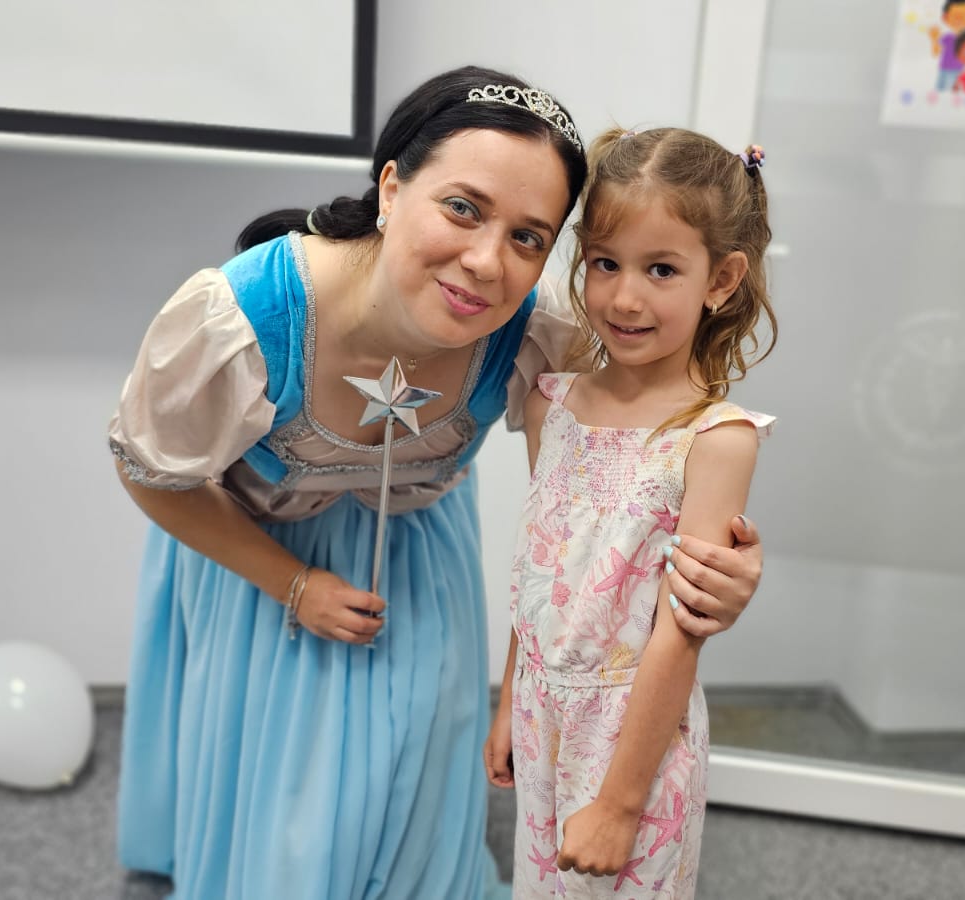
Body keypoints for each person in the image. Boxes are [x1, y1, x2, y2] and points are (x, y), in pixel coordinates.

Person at [107, 67, 767, 900]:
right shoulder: (241, 318)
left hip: (422, 557)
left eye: (529, 237)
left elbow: (638, 462)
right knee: (287, 818)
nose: (486, 261)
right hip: (257, 556)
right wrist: (294, 583)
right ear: (391, 186)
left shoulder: (539, 336)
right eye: (462, 207)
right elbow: (149, 472)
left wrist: (721, 564)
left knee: (412, 795)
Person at [484, 128, 777, 898]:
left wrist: (618, 804)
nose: (624, 297)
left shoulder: (716, 440)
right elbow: (538, 570)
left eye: (661, 269)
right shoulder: (551, 404)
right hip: (542, 714)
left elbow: (682, 630)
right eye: (605, 263)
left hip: (634, 736)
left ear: (722, 279)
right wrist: (511, 696)